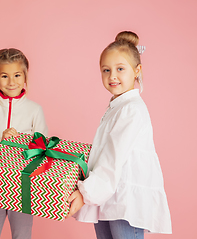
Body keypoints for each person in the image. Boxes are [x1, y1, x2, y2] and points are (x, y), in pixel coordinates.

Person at [67, 31, 172, 238]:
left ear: (137, 71)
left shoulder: (131, 109)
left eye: (120, 69)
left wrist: (85, 193)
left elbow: (112, 159)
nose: (112, 76)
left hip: (124, 199)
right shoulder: (117, 107)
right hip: (107, 196)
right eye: (106, 70)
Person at [0, 48, 48, 239]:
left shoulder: (35, 110)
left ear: (25, 76)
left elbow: (43, 150)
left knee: (22, 235)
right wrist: (2, 141)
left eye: (17, 75)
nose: (12, 82)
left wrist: (21, 144)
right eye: (5, 76)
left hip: (24, 183)